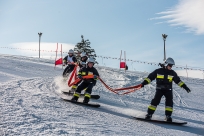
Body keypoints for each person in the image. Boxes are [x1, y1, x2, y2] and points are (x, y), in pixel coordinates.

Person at [141, 57, 191, 122]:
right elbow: (150, 77)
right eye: (170, 65)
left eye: (172, 66)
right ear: (166, 64)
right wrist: (144, 83)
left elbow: (178, 81)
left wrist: (185, 87)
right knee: (155, 101)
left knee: (169, 103)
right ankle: (149, 114)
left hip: (168, 90)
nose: (171, 67)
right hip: (159, 89)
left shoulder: (172, 73)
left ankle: (168, 116)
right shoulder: (158, 71)